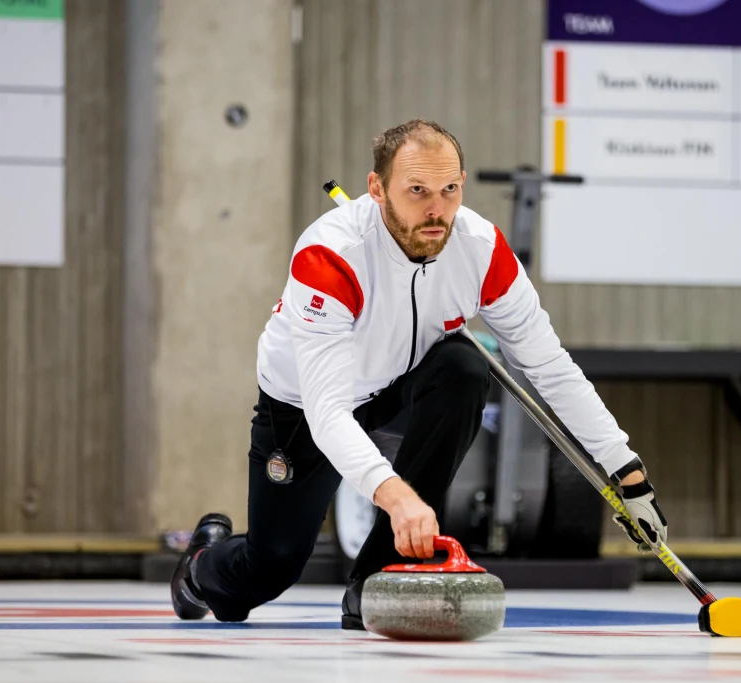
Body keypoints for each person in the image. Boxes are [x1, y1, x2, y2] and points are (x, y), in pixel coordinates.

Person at [170, 119, 668, 627]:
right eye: (417, 191)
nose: (436, 210)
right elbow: (328, 412)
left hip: (395, 389)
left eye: (449, 189)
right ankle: (203, 564)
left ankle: (376, 580)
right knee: (268, 569)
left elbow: (549, 365)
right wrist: (398, 498)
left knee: (465, 368)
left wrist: (627, 472)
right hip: (303, 408)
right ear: (376, 188)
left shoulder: (480, 249)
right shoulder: (329, 256)